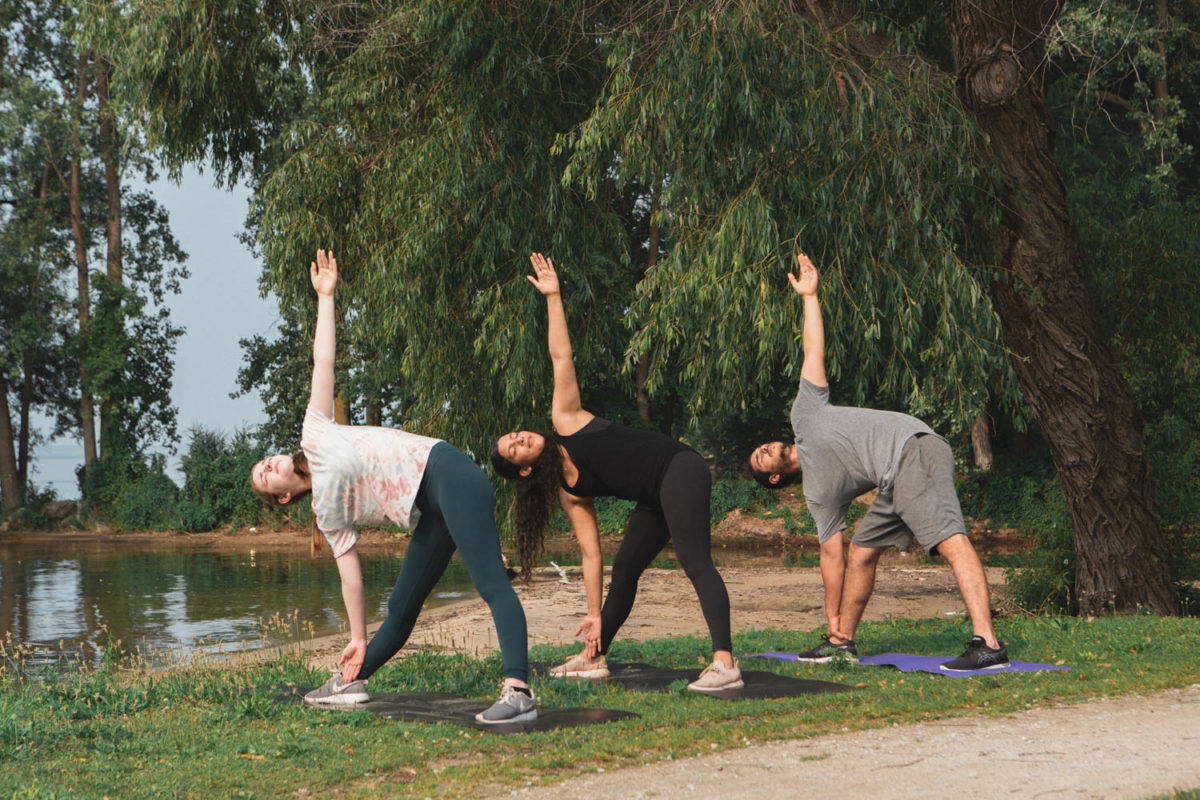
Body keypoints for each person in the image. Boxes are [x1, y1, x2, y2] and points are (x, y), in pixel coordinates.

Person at [250, 249, 536, 723]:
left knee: (490, 582)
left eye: (266, 460)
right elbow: (351, 579)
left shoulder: (314, 434)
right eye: (265, 474)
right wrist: (358, 636)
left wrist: (326, 296)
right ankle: (353, 679)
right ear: (282, 495)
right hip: (434, 509)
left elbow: (324, 359)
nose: (272, 462)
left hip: (448, 473)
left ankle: (519, 691)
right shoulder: (327, 513)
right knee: (401, 604)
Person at [490, 252, 742, 693]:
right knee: (624, 569)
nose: (521, 438)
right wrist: (593, 612)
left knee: (693, 559)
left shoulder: (565, 419)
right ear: (524, 469)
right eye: (514, 449)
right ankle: (594, 656)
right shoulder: (570, 492)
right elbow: (591, 554)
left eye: (516, 434)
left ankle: (725, 662)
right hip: (655, 494)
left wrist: (554, 298)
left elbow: (560, 356)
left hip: (679, 467)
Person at [749, 252, 1008, 672]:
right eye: (758, 461)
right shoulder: (818, 494)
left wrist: (809, 298)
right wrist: (829, 613)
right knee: (862, 550)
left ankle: (989, 644)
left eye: (759, 447)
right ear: (775, 478)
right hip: (894, 478)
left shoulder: (805, 414)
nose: (761, 449)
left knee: (949, 538)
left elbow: (813, 350)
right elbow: (830, 557)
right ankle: (840, 641)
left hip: (913, 449)